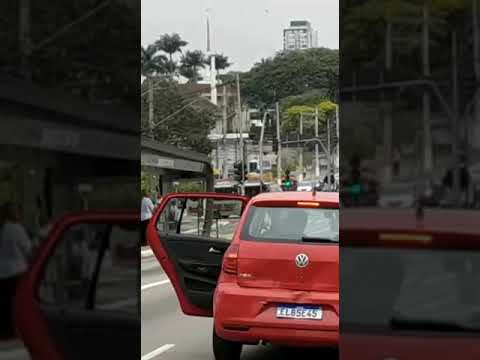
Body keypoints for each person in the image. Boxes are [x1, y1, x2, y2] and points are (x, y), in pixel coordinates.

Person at [0, 202, 32, 337]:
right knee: (19, 304)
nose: (20, 214)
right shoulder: (17, 228)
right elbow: (28, 249)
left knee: (6, 305)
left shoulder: (2, 228)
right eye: (18, 211)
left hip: (2, 273)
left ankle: (6, 332)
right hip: (17, 272)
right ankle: (18, 331)